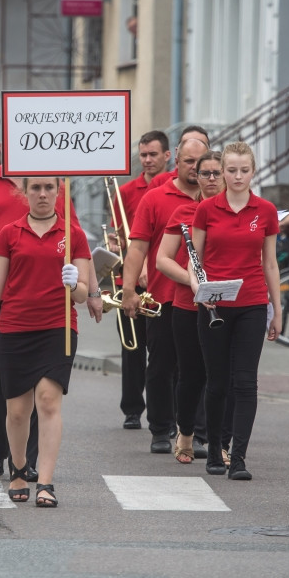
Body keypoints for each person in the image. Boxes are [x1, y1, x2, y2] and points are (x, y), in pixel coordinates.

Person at [0, 167, 101, 478]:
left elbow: (79, 247)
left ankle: (26, 461)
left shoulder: (55, 184)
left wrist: (91, 291)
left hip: (43, 301)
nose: (42, 193)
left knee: (38, 385)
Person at [0, 177, 93, 507]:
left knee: (48, 401)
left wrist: (75, 284)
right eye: (35, 188)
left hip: (58, 327)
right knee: (17, 412)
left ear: (58, 191)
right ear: (23, 193)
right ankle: (19, 468)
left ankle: (47, 482)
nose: (42, 194)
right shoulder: (9, 233)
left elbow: (82, 293)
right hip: (14, 329)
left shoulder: (73, 235)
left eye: (49, 188)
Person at [190, 142, 282, 479]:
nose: (237, 176)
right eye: (231, 170)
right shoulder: (207, 209)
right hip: (214, 303)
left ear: (253, 171)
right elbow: (193, 258)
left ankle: (238, 457)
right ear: (223, 171)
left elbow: (270, 264)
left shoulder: (266, 211)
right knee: (217, 382)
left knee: (246, 381)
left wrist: (278, 308)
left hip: (253, 303)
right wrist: (198, 290)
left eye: (244, 170)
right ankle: (214, 450)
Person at [122, 136, 204, 454]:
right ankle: (159, 428)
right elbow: (138, 247)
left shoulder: (216, 198)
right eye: (188, 162)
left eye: (201, 162)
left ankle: (196, 430)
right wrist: (129, 290)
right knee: (160, 365)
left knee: (198, 369)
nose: (195, 168)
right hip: (162, 296)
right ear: (176, 163)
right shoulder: (155, 198)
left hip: (205, 299)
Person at [155, 150, 222, 465]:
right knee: (191, 375)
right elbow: (162, 260)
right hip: (188, 304)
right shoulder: (184, 212)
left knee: (226, 375)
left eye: (215, 173)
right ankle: (185, 432)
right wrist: (194, 283)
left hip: (231, 305)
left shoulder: (242, 212)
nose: (210, 179)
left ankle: (217, 438)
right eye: (204, 173)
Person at [112, 130, 171, 431]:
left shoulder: (176, 188)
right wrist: (114, 243)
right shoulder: (125, 191)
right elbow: (122, 237)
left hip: (164, 279)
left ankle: (166, 412)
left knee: (163, 354)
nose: (147, 160)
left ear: (167, 156)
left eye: (153, 155)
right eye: (143, 155)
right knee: (132, 350)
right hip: (132, 279)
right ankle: (132, 408)